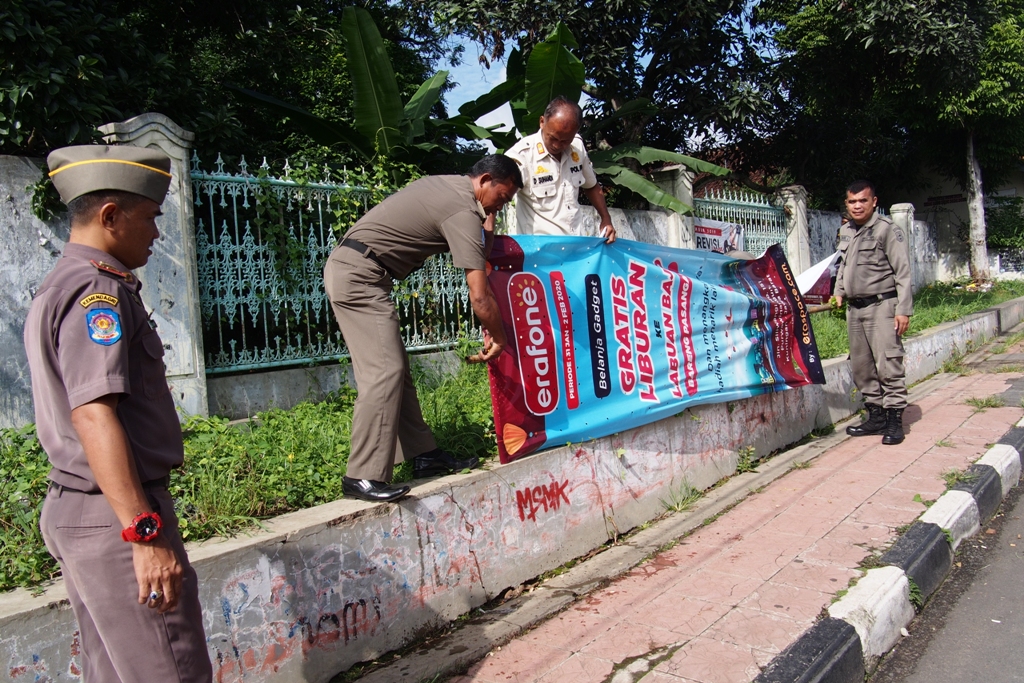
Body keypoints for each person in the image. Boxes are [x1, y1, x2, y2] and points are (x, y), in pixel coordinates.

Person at [23, 145, 212, 682]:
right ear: (111, 216)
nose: (157, 233)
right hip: (117, 519)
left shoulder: (62, 283)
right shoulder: (96, 291)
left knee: (116, 672)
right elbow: (93, 414)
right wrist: (144, 534)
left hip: (82, 510)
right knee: (171, 671)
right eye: (151, 218)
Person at [324, 155, 522, 503]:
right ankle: (361, 476)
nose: (501, 206)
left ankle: (423, 454)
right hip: (359, 277)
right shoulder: (460, 210)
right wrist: (501, 337)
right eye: (502, 197)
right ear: (486, 179)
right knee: (384, 371)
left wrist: (489, 216)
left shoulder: (451, 187)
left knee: (396, 373)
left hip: (363, 272)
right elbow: (479, 295)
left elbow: (481, 251)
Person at [833, 180, 913, 445]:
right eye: (852, 201)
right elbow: (843, 266)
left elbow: (902, 272)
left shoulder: (886, 230)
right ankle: (876, 417)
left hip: (883, 307)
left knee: (888, 364)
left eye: (863, 201)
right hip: (855, 310)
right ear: (847, 203)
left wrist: (904, 309)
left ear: (874, 202)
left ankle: (894, 421)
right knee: (862, 366)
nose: (857, 206)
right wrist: (839, 291)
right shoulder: (846, 231)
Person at [506, 96, 617, 243]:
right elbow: (497, 196)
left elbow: (591, 186)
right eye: (553, 138)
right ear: (542, 122)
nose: (557, 145)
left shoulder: (577, 147)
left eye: (565, 140)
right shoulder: (522, 155)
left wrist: (606, 219)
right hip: (539, 252)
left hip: (575, 247)